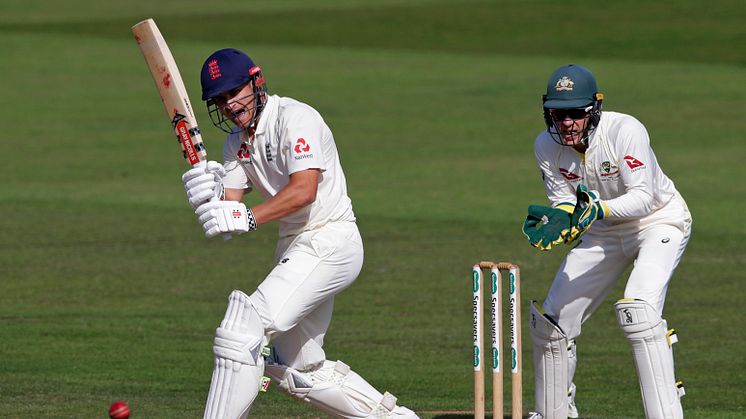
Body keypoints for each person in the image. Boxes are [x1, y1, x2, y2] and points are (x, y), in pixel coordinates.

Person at [181, 48, 418, 419]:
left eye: (234, 92)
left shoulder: (296, 118)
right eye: (220, 99)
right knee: (297, 368)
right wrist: (207, 197)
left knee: (243, 329)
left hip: (330, 239)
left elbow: (304, 190)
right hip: (296, 246)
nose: (229, 105)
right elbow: (230, 212)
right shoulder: (235, 142)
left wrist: (247, 217)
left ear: (256, 81)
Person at [521, 64, 691, 419]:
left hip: (658, 220)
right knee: (552, 322)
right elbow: (563, 201)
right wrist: (564, 220)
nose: (566, 123)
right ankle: (553, 414)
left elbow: (643, 197)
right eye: (558, 113)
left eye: (574, 114)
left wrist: (593, 210)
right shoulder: (545, 146)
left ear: (593, 110)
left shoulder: (625, 130)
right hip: (603, 231)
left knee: (639, 312)